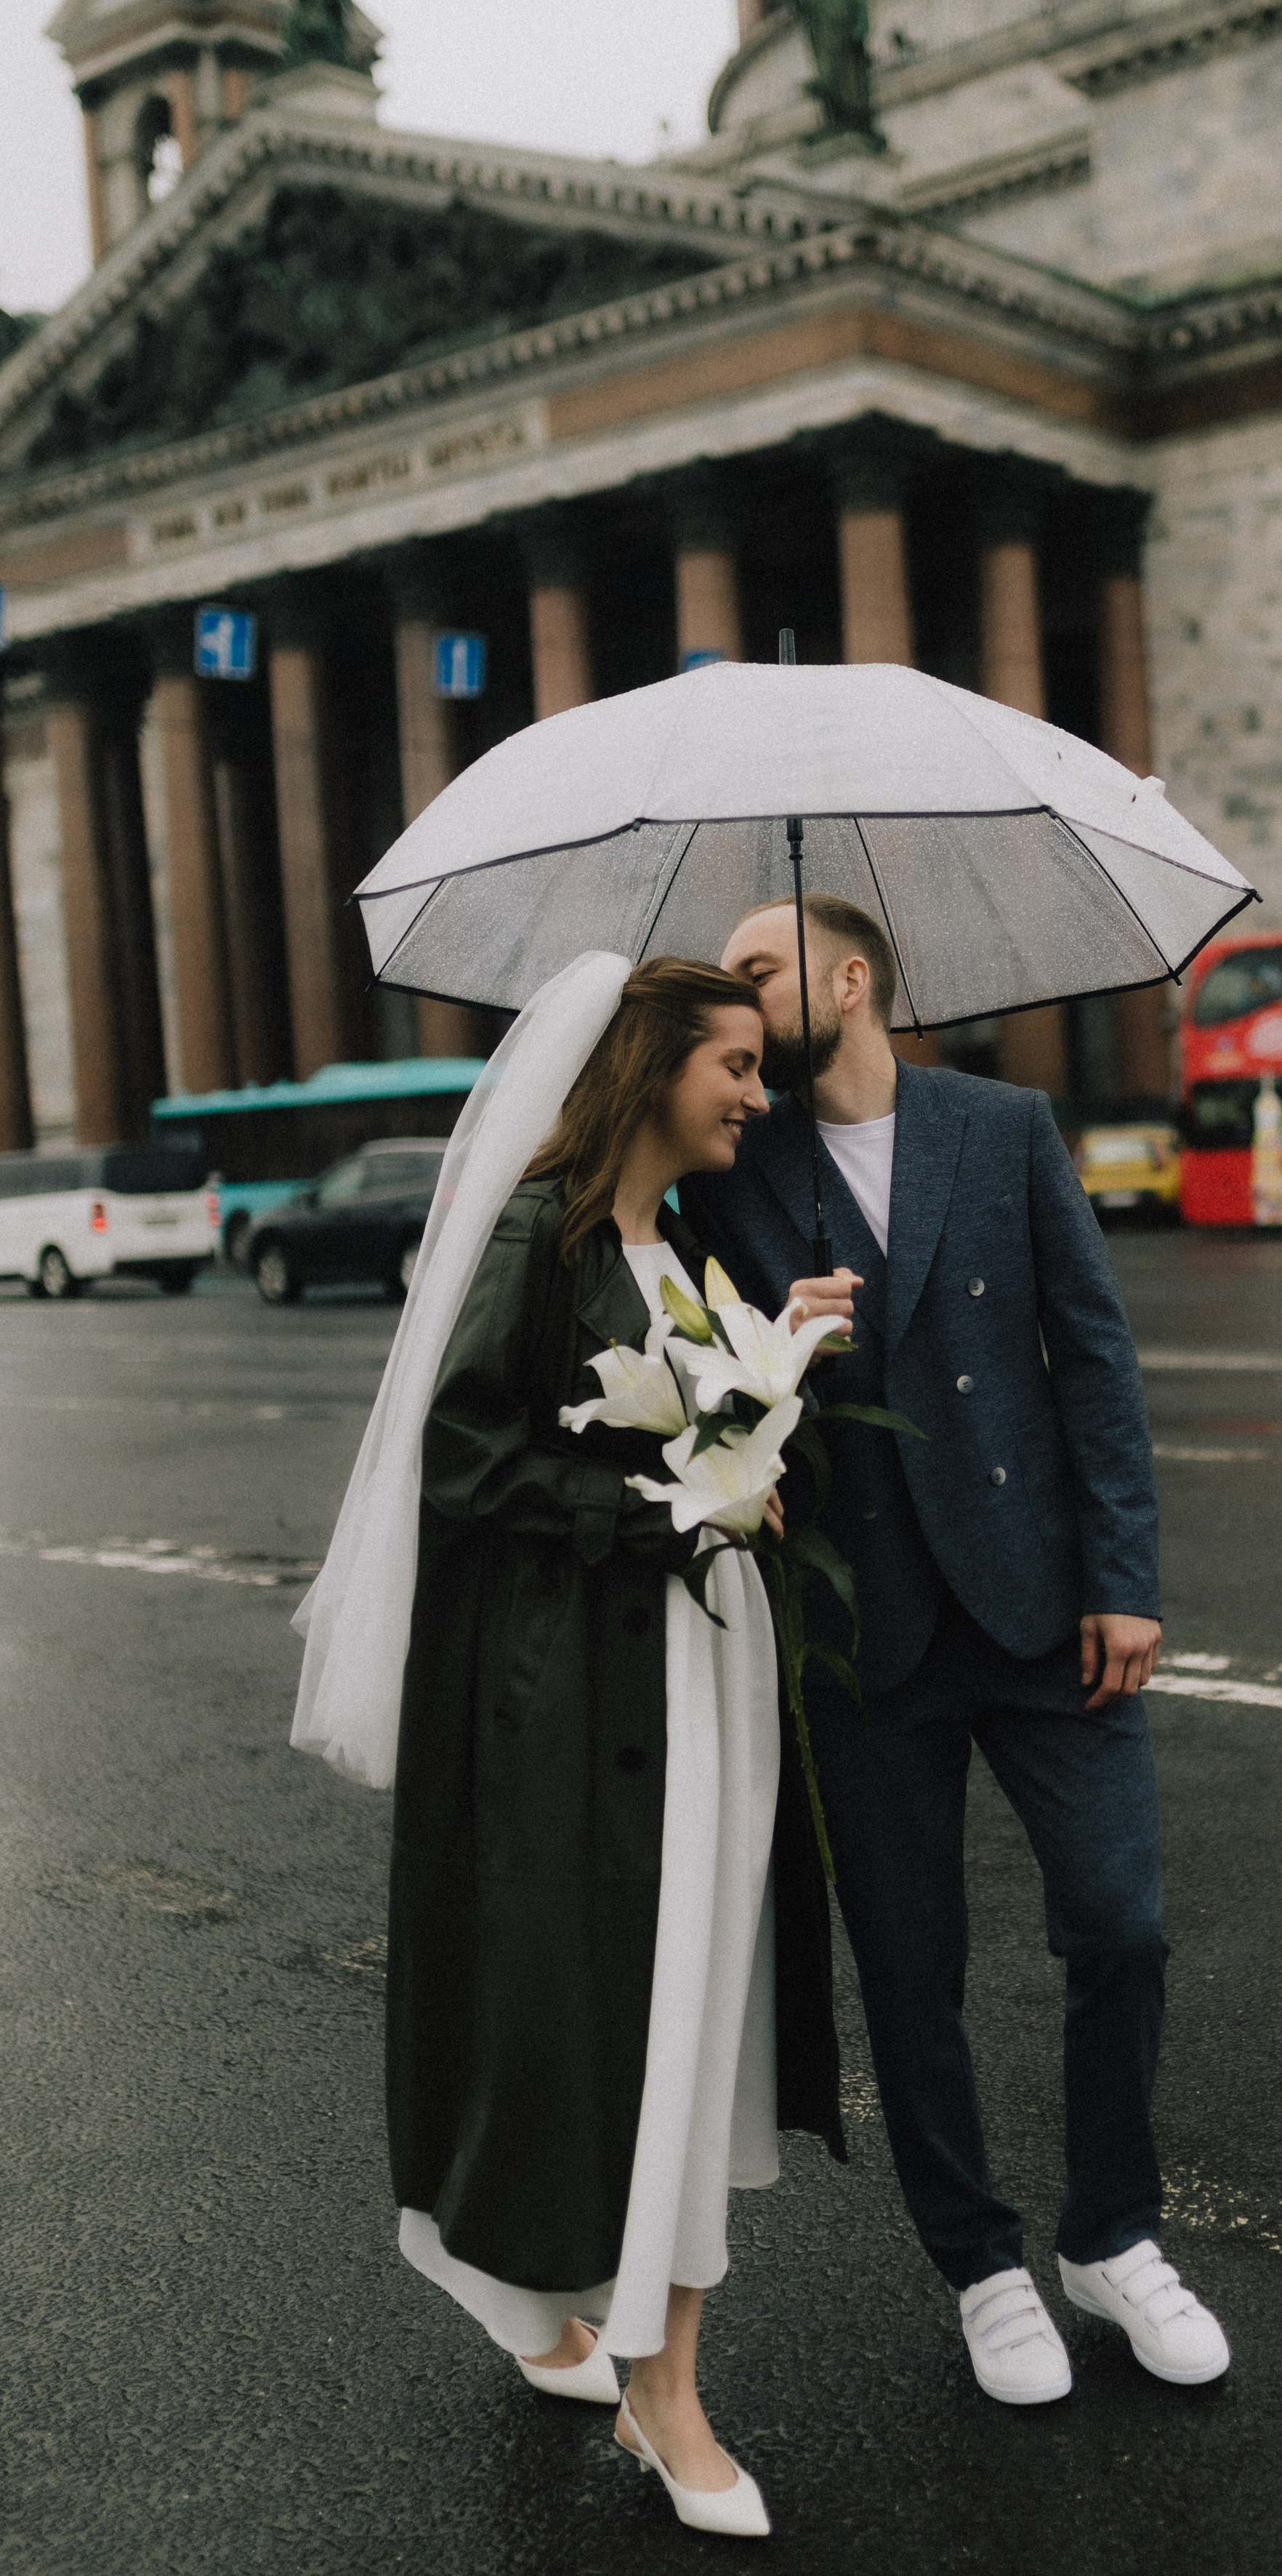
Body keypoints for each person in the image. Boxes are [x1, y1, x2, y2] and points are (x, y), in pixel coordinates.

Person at [292, 954, 844, 2543]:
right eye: (733, 1063)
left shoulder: (670, 1243)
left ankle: (530, 2297)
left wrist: (783, 1356)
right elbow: (459, 1455)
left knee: (665, 2003)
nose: (756, 1091)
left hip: (695, 1677)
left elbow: (712, 1426)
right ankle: (659, 2394)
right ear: (650, 1065)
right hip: (599, 1695)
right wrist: (666, 1506)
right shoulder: (538, 1232)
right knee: (632, 2010)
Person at [682, 896, 1228, 2406]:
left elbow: (1093, 1355)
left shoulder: (1002, 1125)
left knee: (1118, 1923)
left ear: (849, 981)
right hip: (866, 1629)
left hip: (1045, 1605)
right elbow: (697, 1387)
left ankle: (1110, 2237)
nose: (739, 1000)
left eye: (760, 970)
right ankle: (981, 2263)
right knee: (909, 1972)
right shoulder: (730, 1166)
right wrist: (766, 1346)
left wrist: (1123, 1577)